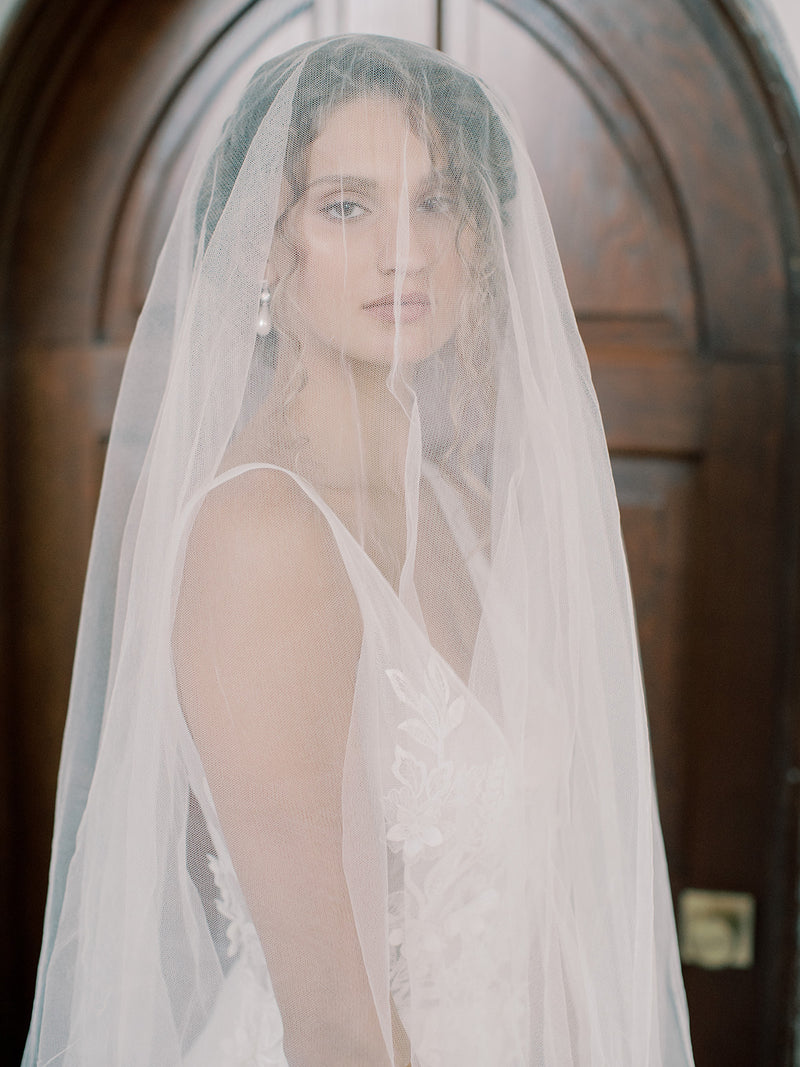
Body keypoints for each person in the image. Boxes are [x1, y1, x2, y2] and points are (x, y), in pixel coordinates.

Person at [22, 34, 694, 1066]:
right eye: (345, 205)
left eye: (435, 202)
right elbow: (334, 1018)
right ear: (261, 239)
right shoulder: (261, 536)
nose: (405, 250)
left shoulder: (465, 510)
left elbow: (546, 909)